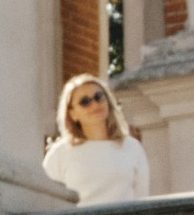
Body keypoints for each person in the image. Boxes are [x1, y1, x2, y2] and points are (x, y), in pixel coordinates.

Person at [42, 73, 151, 205]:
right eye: (85, 102)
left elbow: (141, 199)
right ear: (73, 114)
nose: (94, 104)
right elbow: (47, 201)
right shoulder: (60, 153)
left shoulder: (132, 148)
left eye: (99, 97)